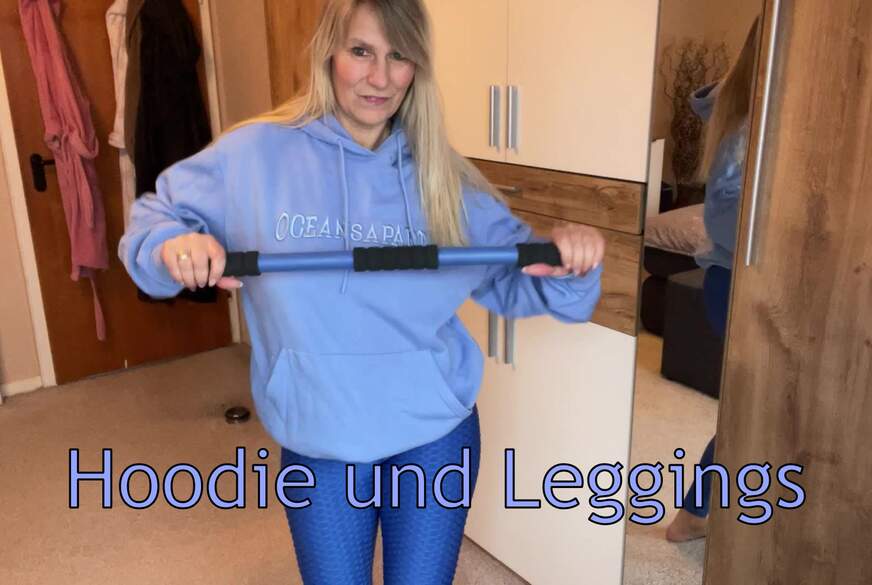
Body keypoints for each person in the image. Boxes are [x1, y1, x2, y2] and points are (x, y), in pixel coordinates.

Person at [118, 0, 605, 582]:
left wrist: (570, 260)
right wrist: (173, 245)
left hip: (433, 433)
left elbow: (517, 282)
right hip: (319, 435)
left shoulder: (443, 178)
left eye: (399, 56)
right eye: (361, 51)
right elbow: (152, 224)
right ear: (329, 52)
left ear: (417, 67)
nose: (380, 77)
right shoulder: (253, 155)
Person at [666, 16, 761, 543]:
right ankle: (693, 515)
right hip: (735, 281)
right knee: (753, 406)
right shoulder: (747, 119)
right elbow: (725, 214)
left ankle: (701, 512)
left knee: (756, 406)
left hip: (737, 279)